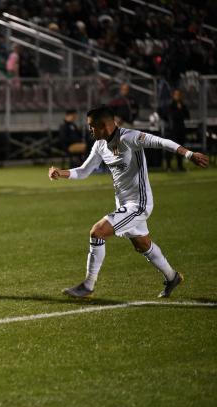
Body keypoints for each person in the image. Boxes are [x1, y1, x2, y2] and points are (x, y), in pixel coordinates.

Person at [48, 105, 208, 299]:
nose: (89, 130)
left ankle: (88, 286)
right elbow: (84, 170)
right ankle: (172, 277)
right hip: (124, 205)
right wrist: (60, 173)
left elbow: (162, 142)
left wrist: (189, 154)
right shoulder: (100, 145)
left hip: (139, 204)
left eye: (91, 126)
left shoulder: (129, 138)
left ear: (104, 125)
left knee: (97, 232)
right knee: (142, 244)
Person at [163, 89, 190, 172]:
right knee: (171, 148)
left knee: (181, 148)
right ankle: (168, 167)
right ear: (173, 96)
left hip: (181, 129)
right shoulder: (170, 105)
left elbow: (188, 116)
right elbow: (170, 116)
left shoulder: (182, 105)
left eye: (179, 95)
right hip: (172, 130)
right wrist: (178, 110)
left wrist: (181, 109)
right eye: (176, 95)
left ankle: (180, 166)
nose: (177, 96)